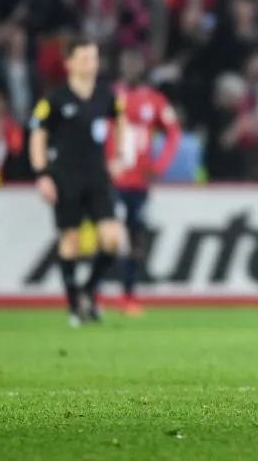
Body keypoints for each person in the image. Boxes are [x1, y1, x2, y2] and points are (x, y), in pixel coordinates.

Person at [28, 37, 129, 327]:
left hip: (97, 176)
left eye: (93, 58)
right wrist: (42, 175)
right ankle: (75, 305)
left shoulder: (106, 95)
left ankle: (88, 290)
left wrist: (119, 155)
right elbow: (37, 136)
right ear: (69, 63)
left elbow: (120, 121)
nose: (90, 63)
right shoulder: (54, 99)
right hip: (65, 177)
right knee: (70, 240)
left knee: (112, 239)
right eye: (84, 57)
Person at [108, 48, 181, 316]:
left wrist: (159, 165)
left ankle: (128, 295)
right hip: (112, 180)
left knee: (135, 238)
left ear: (142, 67)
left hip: (139, 182)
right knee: (113, 236)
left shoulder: (154, 100)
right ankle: (94, 291)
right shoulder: (109, 96)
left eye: (135, 64)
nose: (130, 69)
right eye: (126, 63)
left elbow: (174, 132)